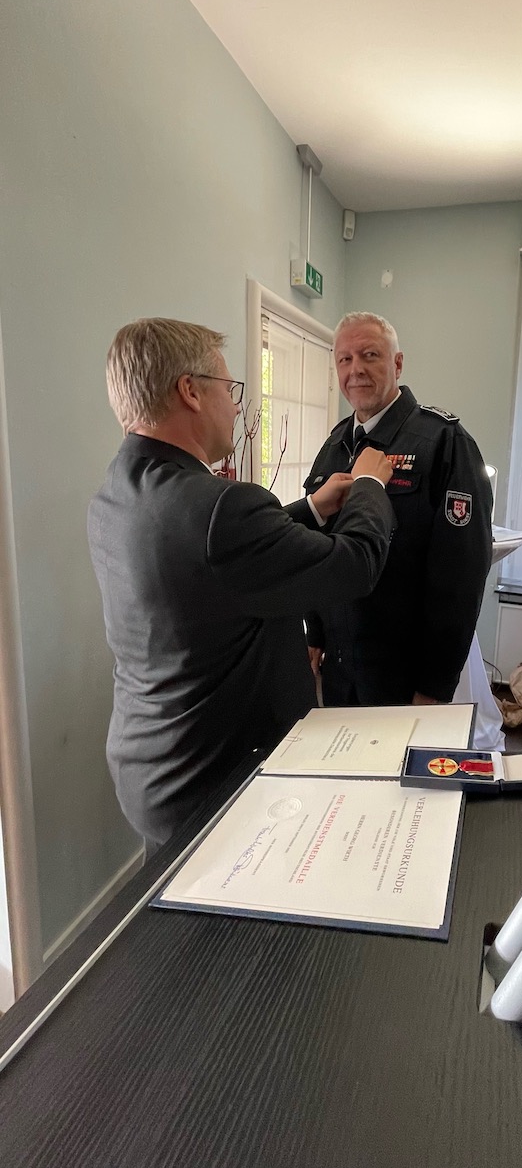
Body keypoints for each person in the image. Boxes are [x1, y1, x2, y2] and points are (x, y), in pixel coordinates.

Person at [88, 318, 394, 854]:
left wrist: (310, 509)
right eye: (229, 390)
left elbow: (215, 563)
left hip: (152, 763)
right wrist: (370, 483)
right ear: (190, 391)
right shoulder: (221, 508)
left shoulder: (117, 491)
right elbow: (355, 565)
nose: (235, 408)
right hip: (216, 779)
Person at [303, 312, 493, 707]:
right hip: (340, 668)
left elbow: (461, 575)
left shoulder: (444, 443)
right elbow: (319, 548)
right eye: (344, 359)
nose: (355, 369)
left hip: (403, 677)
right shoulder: (335, 444)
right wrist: (315, 632)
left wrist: (435, 683)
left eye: (370, 355)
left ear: (398, 363)